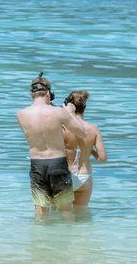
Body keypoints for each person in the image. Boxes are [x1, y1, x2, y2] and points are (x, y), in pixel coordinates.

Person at [16, 73, 86, 218]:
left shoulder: (21, 114)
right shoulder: (59, 112)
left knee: (41, 214)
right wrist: (70, 113)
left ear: (31, 95)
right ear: (48, 93)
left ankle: (40, 240)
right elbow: (82, 132)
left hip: (37, 165)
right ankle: (68, 238)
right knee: (66, 211)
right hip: (57, 164)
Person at [62, 91, 107, 214]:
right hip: (85, 176)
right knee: (81, 217)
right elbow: (102, 158)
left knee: (59, 216)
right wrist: (89, 150)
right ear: (84, 107)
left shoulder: (62, 127)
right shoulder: (94, 129)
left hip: (65, 175)